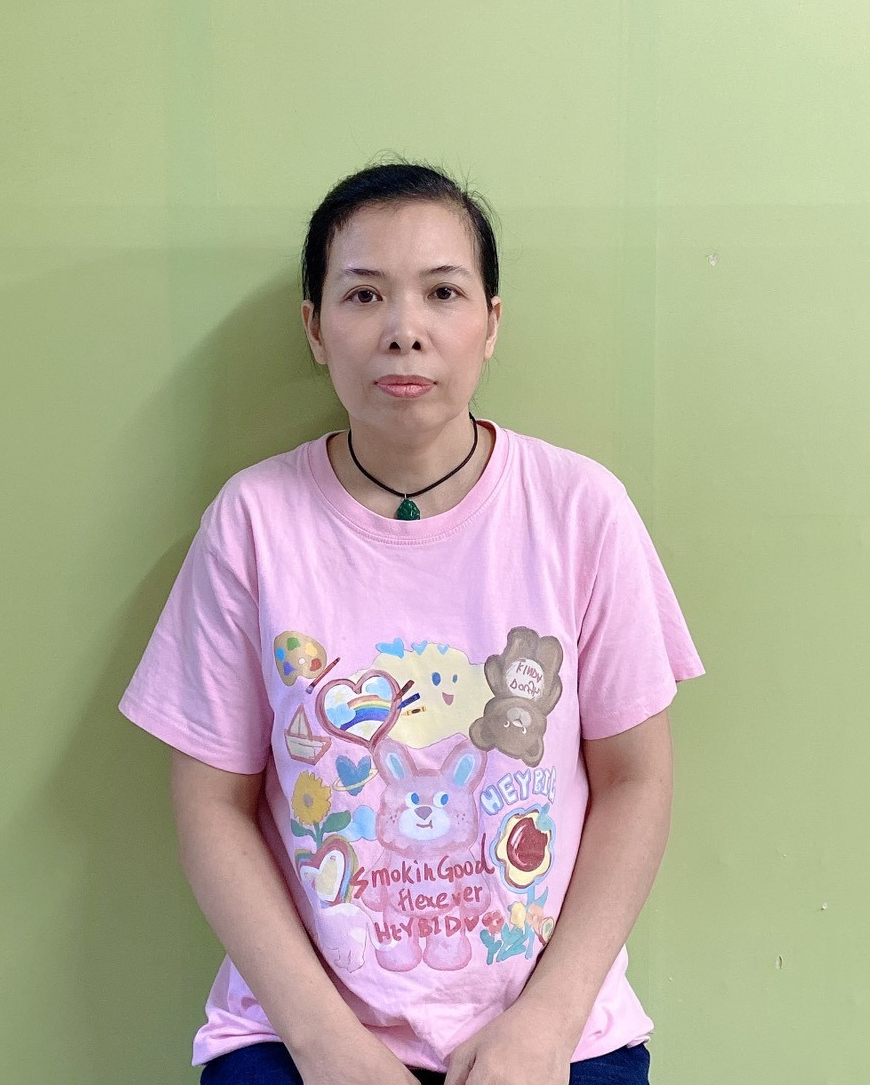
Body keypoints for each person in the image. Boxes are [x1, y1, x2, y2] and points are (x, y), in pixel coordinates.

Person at [119, 161, 704, 1085]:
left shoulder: (580, 510)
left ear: (491, 324)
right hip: (295, 1034)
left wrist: (547, 1025)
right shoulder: (254, 521)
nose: (404, 329)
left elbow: (636, 779)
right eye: (363, 294)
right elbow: (209, 803)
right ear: (315, 329)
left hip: (553, 1029)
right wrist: (324, 1042)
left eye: (443, 292)